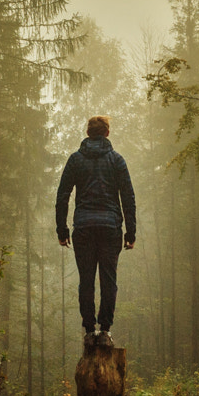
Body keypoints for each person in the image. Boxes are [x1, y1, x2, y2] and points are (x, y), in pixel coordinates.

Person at [55, 115, 137, 350]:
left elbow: (63, 195)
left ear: (88, 133)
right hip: (111, 228)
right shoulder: (117, 160)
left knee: (86, 280)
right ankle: (105, 331)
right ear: (107, 133)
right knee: (108, 280)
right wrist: (130, 233)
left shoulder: (75, 160)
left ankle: (89, 331)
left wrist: (63, 229)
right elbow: (128, 198)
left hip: (84, 228)